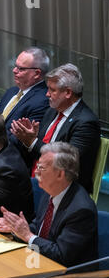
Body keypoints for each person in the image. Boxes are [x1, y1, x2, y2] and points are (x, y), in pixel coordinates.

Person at [0, 142, 98, 270]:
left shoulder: (81, 210)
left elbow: (61, 255)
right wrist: (16, 228)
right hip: (39, 262)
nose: (36, 172)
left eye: (41, 168)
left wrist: (27, 235)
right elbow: (39, 228)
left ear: (60, 174)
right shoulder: (50, 191)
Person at [10, 63, 101, 195]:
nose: (47, 94)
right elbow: (36, 151)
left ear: (68, 92)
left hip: (63, 191)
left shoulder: (86, 123)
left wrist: (32, 142)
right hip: (35, 180)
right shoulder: (52, 110)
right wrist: (26, 138)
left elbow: (65, 162)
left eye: (52, 90)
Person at [0, 47, 50, 161]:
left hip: (9, 160)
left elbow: (21, 140)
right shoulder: (11, 92)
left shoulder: (42, 101)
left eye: (21, 69)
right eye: (15, 66)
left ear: (36, 73)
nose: (14, 70)